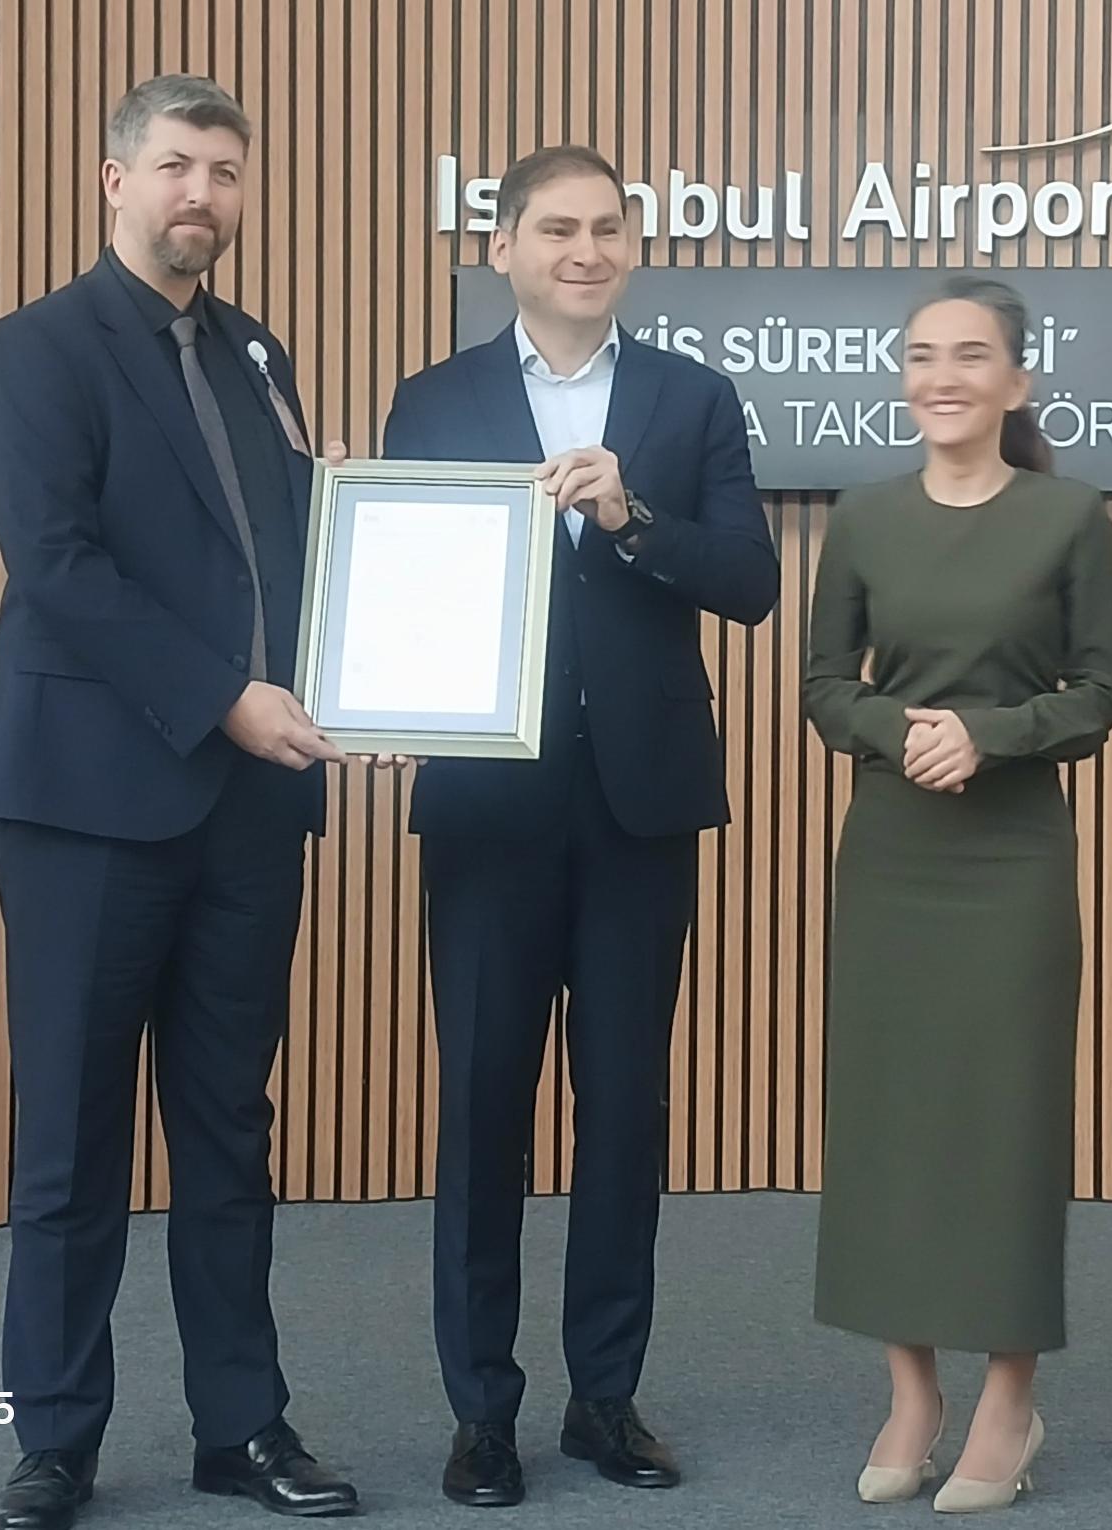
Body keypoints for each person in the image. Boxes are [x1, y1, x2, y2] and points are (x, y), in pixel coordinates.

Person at [0, 74, 366, 1529]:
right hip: (87, 805)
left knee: (227, 1130)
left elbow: (277, 550)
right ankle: (57, 1440)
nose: (204, 194)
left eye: (227, 172)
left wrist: (368, 617)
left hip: (247, 811)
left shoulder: (258, 352)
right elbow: (59, 566)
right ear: (115, 181)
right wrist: (225, 698)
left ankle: (241, 1428)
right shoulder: (39, 347)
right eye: (179, 165)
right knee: (74, 1138)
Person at [378, 144, 778, 1508]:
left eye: (608, 228)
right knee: (482, 1112)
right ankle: (482, 1413)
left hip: (638, 808)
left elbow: (751, 581)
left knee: (622, 1112)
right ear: (504, 247)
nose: (586, 250)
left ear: (633, 247)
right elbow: (406, 585)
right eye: (558, 228)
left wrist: (630, 513)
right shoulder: (435, 399)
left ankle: (606, 1398)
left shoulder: (690, 395)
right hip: (486, 812)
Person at [803, 275, 1112, 1514]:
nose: (943, 376)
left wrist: (987, 736)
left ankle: (1008, 1400)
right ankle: (911, 1395)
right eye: (924, 355)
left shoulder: (1070, 517)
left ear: (1016, 381)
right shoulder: (865, 515)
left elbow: (1101, 693)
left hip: (1012, 856)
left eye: (971, 355)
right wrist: (902, 732)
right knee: (890, 1119)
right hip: (894, 852)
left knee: (1003, 1123)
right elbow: (825, 686)